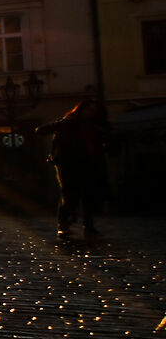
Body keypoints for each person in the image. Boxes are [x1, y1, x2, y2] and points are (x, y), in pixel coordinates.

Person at [41, 99, 109, 242]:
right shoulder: (69, 122)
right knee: (69, 195)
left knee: (88, 197)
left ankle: (88, 227)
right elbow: (41, 130)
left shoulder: (94, 126)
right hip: (69, 164)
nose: (90, 114)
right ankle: (64, 226)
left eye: (93, 111)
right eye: (88, 110)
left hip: (89, 164)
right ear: (81, 110)